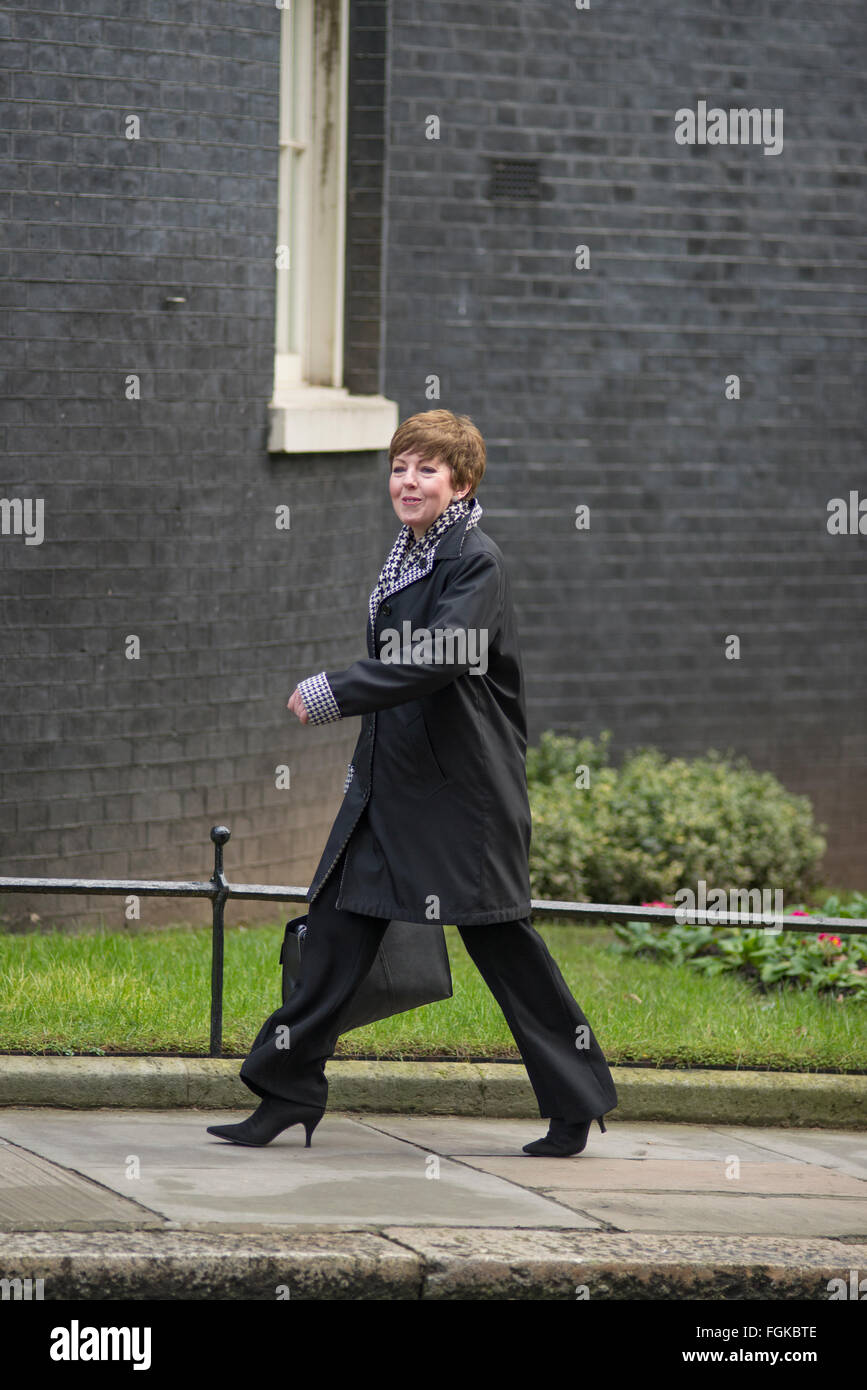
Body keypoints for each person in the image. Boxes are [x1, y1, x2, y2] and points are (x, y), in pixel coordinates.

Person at [207, 410, 618, 1157]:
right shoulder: (409, 554)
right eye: (400, 466)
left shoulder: (475, 561)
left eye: (426, 469)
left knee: (503, 946)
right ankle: (286, 1091)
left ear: (459, 483)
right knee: (332, 932)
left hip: (464, 801)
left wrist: (337, 689)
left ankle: (574, 1102)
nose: (408, 480)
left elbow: (442, 655)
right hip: (389, 787)